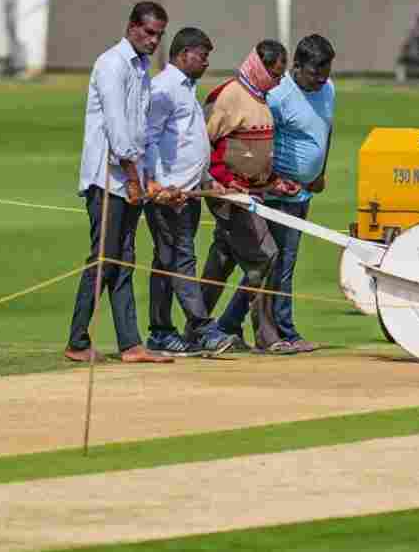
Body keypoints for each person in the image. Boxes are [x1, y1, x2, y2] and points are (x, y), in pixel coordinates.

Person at [214, 34, 337, 353]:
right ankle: (283, 331)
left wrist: (320, 171)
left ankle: (228, 323)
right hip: (276, 192)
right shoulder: (279, 94)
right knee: (276, 263)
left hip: (304, 193)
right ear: (297, 67)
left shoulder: (328, 89)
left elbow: (327, 128)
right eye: (314, 74)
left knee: (271, 264)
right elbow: (260, 140)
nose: (320, 81)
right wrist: (275, 178)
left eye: (325, 74)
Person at [64, 2, 172, 364]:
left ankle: (130, 344)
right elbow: (116, 127)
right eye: (149, 32)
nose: (154, 40)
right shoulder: (111, 63)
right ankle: (78, 341)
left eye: (159, 34)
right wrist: (133, 179)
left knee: (124, 261)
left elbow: (140, 130)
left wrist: (145, 178)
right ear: (132, 27)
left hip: (129, 179)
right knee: (104, 260)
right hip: (107, 179)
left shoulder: (140, 68)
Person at [142, 27, 238, 357]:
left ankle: (160, 332)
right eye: (203, 55)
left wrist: (208, 180)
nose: (207, 62)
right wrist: (157, 184)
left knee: (167, 260)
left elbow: (187, 143)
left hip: (190, 191)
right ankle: (202, 328)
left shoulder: (186, 89)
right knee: (181, 258)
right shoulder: (164, 88)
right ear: (183, 54)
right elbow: (149, 138)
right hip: (168, 194)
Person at [200, 40, 301, 354]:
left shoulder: (261, 97)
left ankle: (198, 326)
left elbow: (253, 154)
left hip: (252, 193)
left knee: (223, 258)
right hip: (227, 195)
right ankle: (266, 335)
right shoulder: (228, 96)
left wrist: (274, 183)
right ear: (259, 68)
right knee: (266, 254)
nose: (279, 81)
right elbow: (202, 144)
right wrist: (223, 182)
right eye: (275, 73)